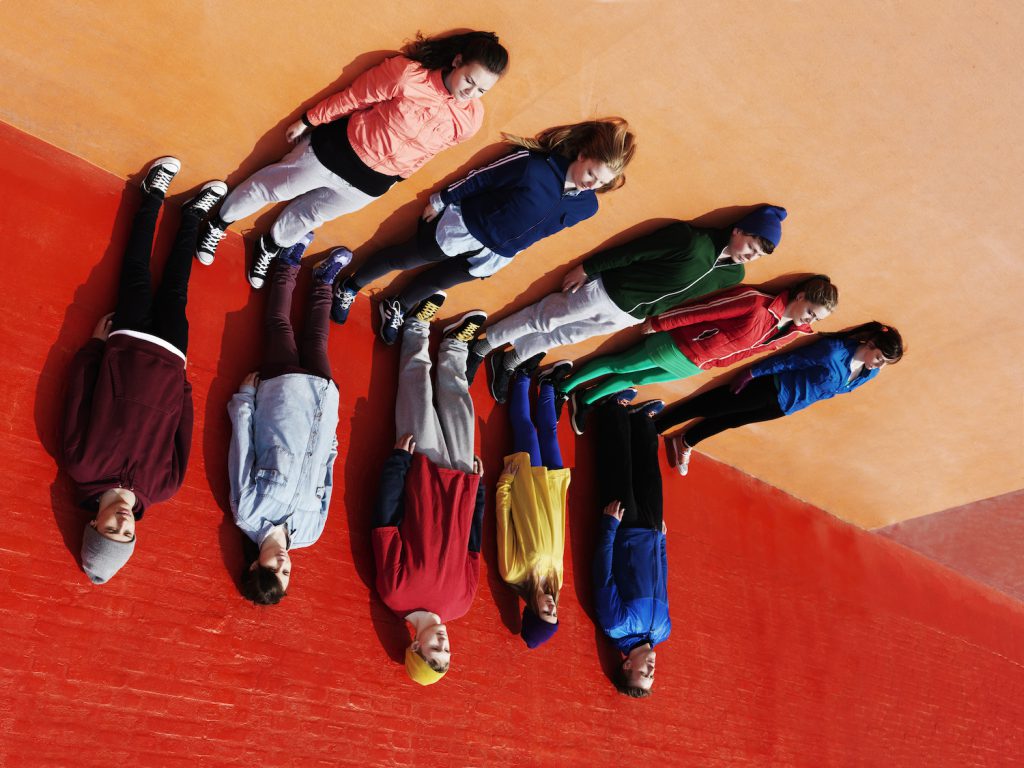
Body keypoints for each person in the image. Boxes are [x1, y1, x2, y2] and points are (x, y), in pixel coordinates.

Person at [195, 30, 509, 289]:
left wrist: (396, 179)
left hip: (371, 184)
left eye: (482, 90)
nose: (471, 93)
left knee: (312, 215)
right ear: (457, 62)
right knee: (273, 188)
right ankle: (219, 223)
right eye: (470, 80)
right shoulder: (407, 75)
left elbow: (430, 151)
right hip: (334, 153)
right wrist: (310, 120)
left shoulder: (470, 119)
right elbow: (354, 97)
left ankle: (270, 246)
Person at [62, 158, 227, 584]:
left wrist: (95, 346)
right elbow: (183, 430)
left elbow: (78, 396)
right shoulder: (165, 487)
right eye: (127, 532)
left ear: (93, 526)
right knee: (176, 287)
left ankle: (153, 194)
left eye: (111, 530)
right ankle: (192, 215)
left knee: (135, 271)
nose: (121, 522)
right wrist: (183, 386)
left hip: (127, 347)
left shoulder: (81, 466)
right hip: (172, 358)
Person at [330, 118, 637, 345]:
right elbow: (481, 178)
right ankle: (351, 284)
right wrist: (441, 199)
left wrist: (509, 251)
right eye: (592, 174)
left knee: (438, 280)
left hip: (496, 254)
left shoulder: (587, 207)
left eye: (601, 183)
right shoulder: (534, 166)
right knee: (406, 258)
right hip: (463, 227)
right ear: (582, 156)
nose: (592, 185)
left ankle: (398, 305)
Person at [469, 204, 789, 403]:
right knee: (544, 319)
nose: (751, 255)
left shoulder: (733, 275)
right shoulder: (691, 239)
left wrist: (654, 319)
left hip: (631, 315)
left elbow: (688, 299)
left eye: (758, 254)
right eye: (751, 245)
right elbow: (635, 251)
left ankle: (510, 360)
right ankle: (483, 345)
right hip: (607, 290)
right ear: (738, 230)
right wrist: (589, 268)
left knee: (566, 337)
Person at [227, 235, 351, 604]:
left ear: (253, 566)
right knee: (317, 340)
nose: (283, 564)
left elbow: (242, 451)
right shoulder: (311, 532)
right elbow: (326, 481)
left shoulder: (247, 514)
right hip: (320, 410)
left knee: (280, 327)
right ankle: (325, 280)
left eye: (272, 571)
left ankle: (287, 261)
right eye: (286, 574)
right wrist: (331, 441)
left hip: (279, 405)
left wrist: (245, 401)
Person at [371, 295, 488, 684]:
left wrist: (397, 464)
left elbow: (385, 521)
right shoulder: (462, 604)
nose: (443, 643)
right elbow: (473, 543)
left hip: (419, 471)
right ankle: (456, 345)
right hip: (461, 483)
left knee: (416, 394)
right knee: (459, 404)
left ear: (415, 647)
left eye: (434, 650)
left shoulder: (395, 594)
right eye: (448, 650)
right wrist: (480, 491)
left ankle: (417, 327)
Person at [565, 275, 839, 434]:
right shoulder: (756, 302)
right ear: (801, 296)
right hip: (678, 343)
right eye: (812, 312)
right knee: (620, 365)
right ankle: (563, 386)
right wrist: (661, 323)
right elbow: (705, 310)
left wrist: (714, 364)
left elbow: (741, 353)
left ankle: (586, 399)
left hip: (697, 364)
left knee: (635, 379)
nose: (810, 320)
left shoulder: (791, 332)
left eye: (817, 318)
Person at [659, 322, 905, 475]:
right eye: (880, 358)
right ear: (871, 343)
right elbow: (792, 360)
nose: (879, 366)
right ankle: (655, 426)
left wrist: (876, 367)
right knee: (710, 407)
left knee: (731, 421)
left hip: (786, 405)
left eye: (885, 364)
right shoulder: (833, 351)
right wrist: (752, 372)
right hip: (770, 388)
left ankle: (687, 440)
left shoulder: (867, 374)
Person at [592, 400, 670, 698]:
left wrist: (609, 526)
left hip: (623, 529)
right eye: (653, 676)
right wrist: (661, 544)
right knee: (650, 475)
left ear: (626, 665)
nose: (651, 670)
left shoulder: (616, 625)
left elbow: (603, 574)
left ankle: (612, 406)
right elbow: (662, 582)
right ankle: (642, 421)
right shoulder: (663, 631)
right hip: (651, 533)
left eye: (642, 674)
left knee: (620, 466)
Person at [495, 363, 572, 648]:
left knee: (527, 430)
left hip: (525, 486)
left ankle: (522, 376)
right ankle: (549, 384)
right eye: (555, 613)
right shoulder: (557, 580)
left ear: (531, 610)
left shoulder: (512, 572)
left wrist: (504, 483)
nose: (552, 606)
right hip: (551, 492)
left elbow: (504, 521)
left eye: (545, 612)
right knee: (549, 433)